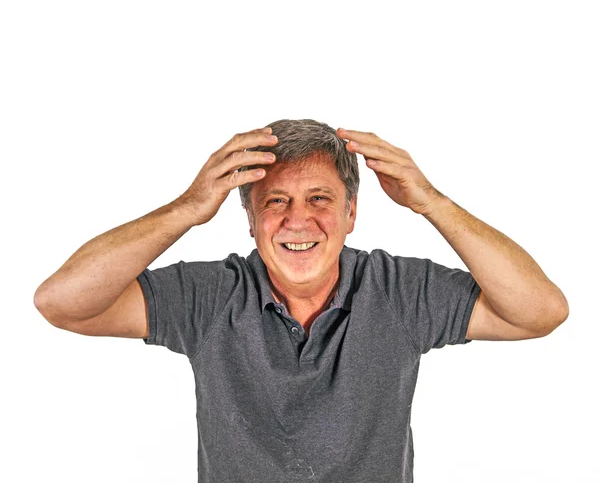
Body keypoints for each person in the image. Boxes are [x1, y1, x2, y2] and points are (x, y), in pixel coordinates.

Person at [33, 118, 569, 482]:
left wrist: (432, 202)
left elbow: (541, 311)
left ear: (352, 213)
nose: (298, 220)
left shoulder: (399, 291)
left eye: (320, 199)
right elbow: (62, 302)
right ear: (248, 219)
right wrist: (189, 207)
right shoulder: (212, 296)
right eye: (276, 202)